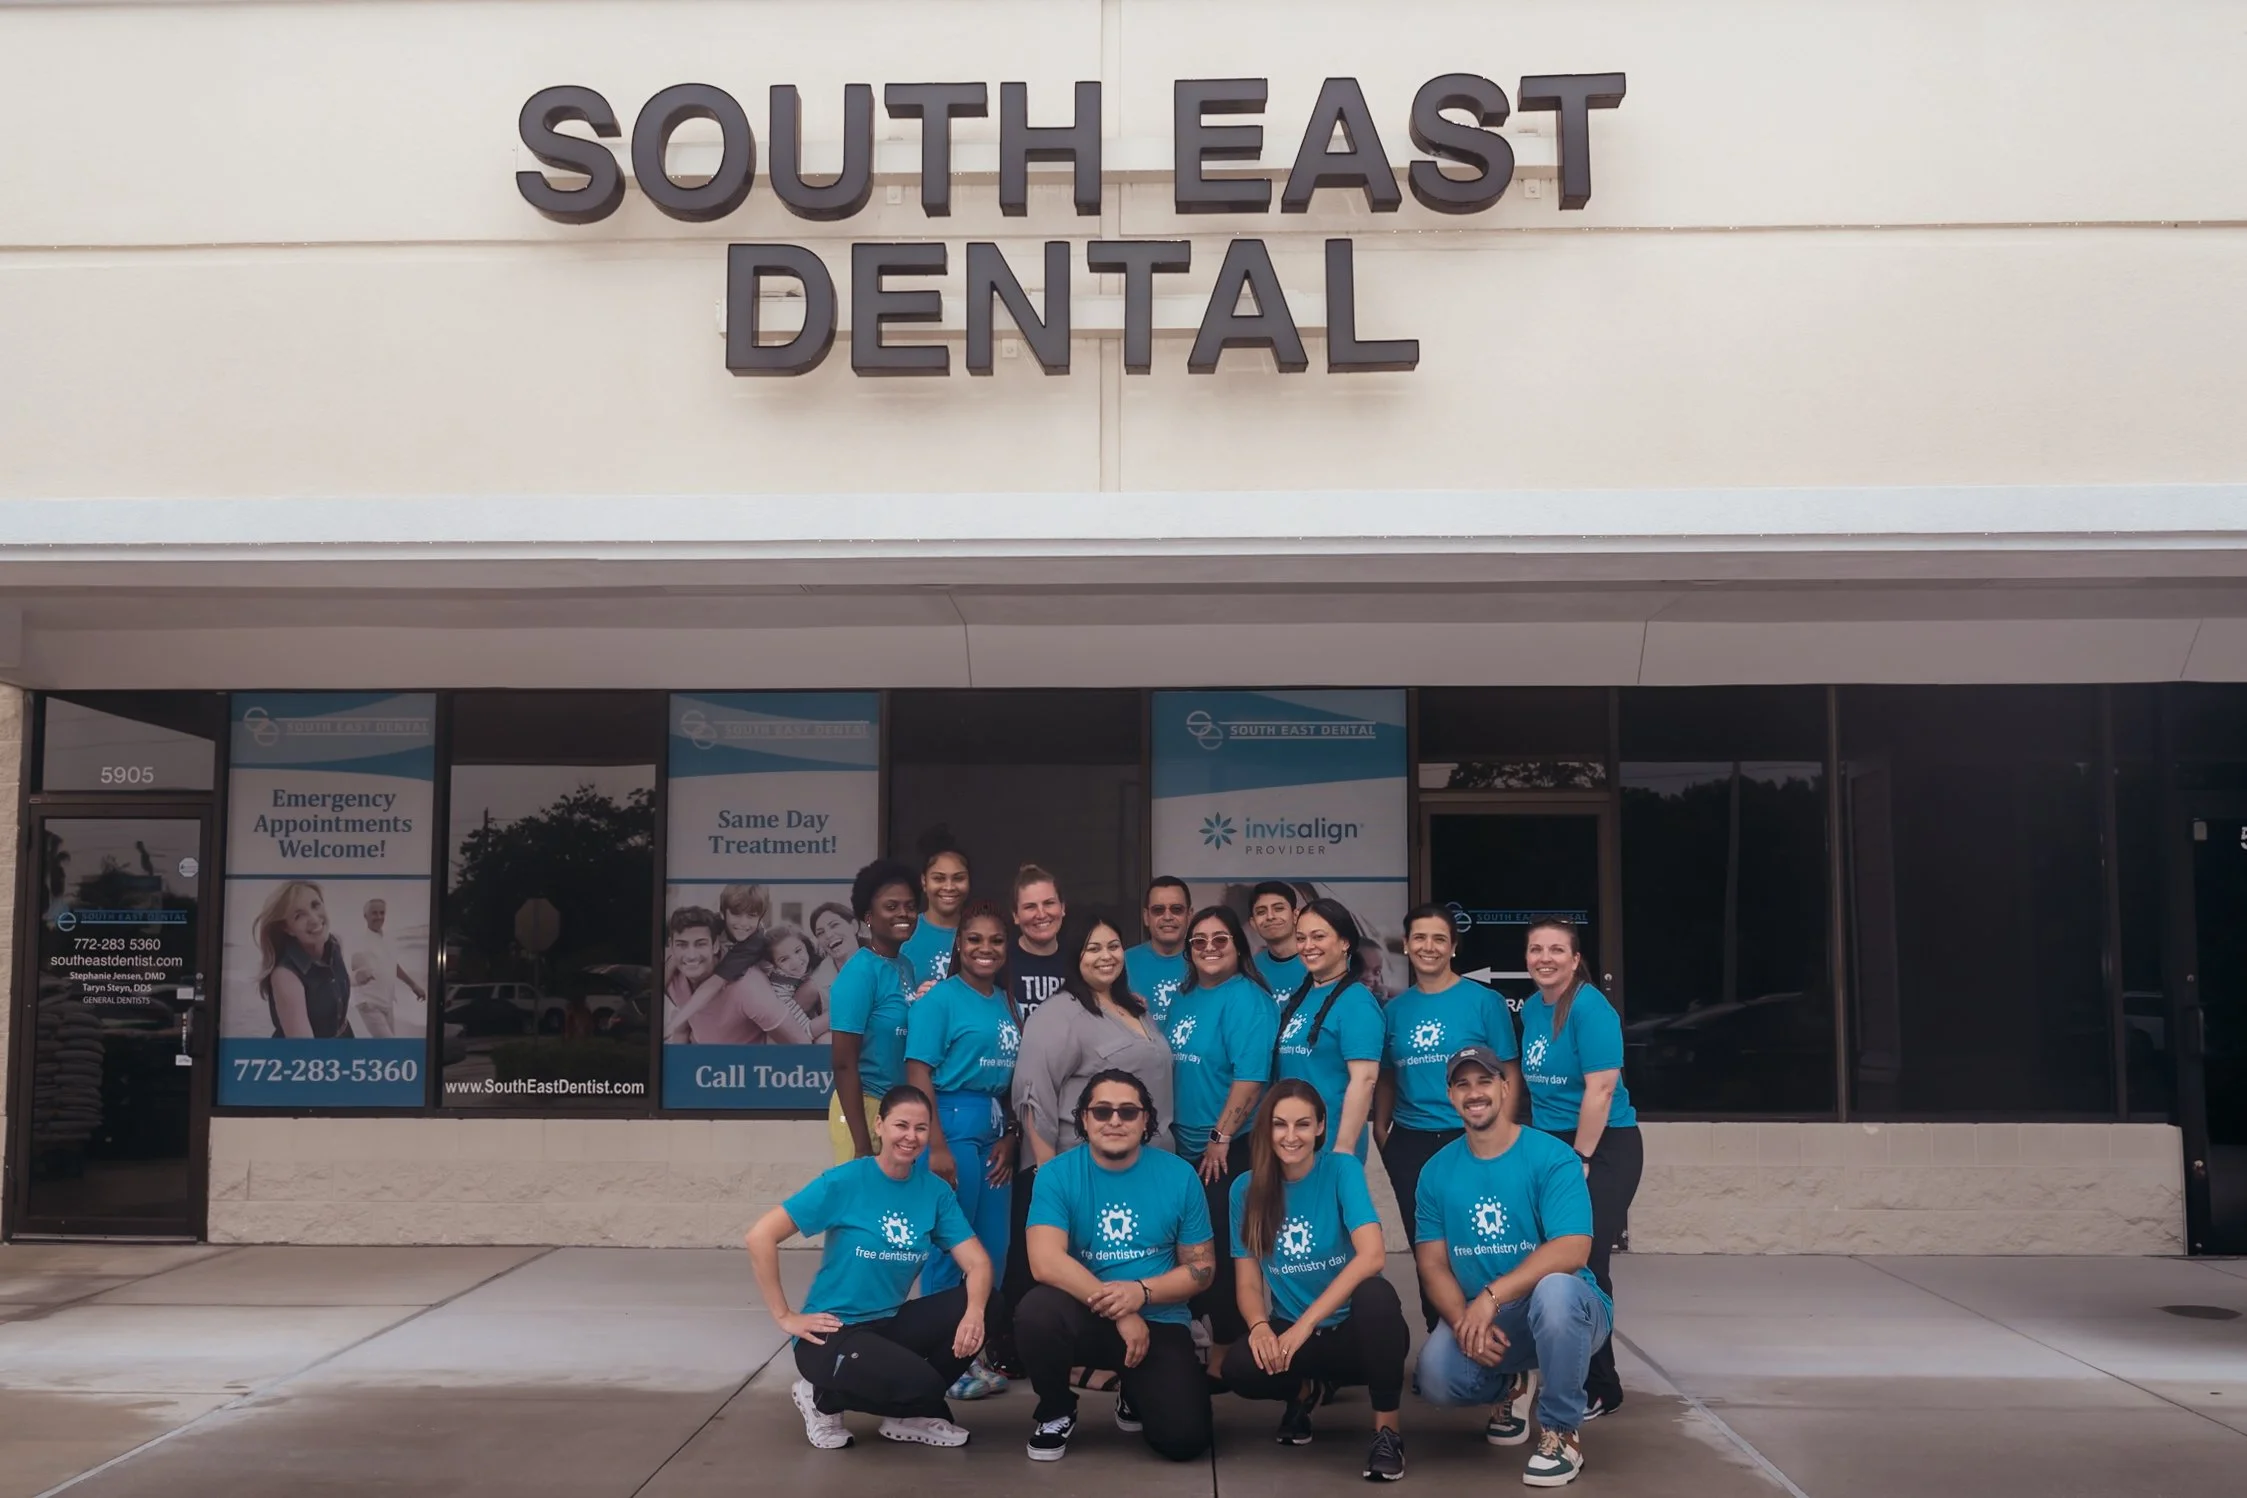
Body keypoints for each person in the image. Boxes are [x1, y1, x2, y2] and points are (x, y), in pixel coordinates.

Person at [746, 1084, 991, 1451]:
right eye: (901, 1125)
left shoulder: (934, 1192)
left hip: (888, 1323)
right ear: (880, 1126)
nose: (911, 1136)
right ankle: (821, 1399)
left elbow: (978, 1262)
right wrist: (785, 1316)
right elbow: (760, 1236)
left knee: (993, 1304)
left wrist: (974, 1313)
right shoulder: (844, 1182)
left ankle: (911, 1410)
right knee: (924, 1387)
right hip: (830, 1331)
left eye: (921, 1128)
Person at [1413, 1046, 1609, 1488]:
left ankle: (1561, 1431)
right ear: (1450, 1096)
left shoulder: (1550, 1157)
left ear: (1505, 1087)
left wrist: (1489, 1297)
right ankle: (1513, 1385)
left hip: (1569, 1311)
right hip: (1493, 1319)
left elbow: (1574, 1248)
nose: (1474, 1093)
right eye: (1462, 1084)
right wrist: (1465, 1320)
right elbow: (1432, 1264)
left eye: (1484, 1081)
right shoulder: (1436, 1172)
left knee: (1555, 1292)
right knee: (1436, 1377)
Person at [1018, 1070, 1216, 1463]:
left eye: (1128, 1112)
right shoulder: (1057, 1174)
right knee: (1036, 1312)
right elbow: (1044, 1262)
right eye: (1102, 1110)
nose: (1114, 1121)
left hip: (1158, 1319)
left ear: (1146, 1121)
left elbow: (1203, 1269)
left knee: (1185, 1441)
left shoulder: (1178, 1175)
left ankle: (1134, 1394)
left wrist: (1139, 1293)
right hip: (1083, 1313)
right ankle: (1056, 1410)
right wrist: (1121, 1310)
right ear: (1084, 1119)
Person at [1223, 1079, 1409, 1481]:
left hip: (1353, 1337)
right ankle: (1305, 1393)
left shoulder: (1341, 1169)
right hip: (1295, 1339)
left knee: (1377, 1297)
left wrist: (1304, 1325)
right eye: (1280, 1125)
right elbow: (1249, 1282)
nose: (1291, 1137)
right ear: (1266, 1128)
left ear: (1321, 1127)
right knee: (1239, 1366)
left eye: (1303, 1125)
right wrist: (1259, 1328)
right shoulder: (1245, 1189)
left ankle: (1387, 1433)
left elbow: (1373, 1255)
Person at [1516, 917, 1641, 1422]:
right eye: (1535, 949)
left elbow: (1601, 1090)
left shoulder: (1591, 1007)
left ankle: (1600, 1385)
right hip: (1553, 1146)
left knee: (1583, 1261)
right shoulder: (1531, 1008)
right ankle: (1554, 1366)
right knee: (1548, 1259)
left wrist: (1581, 1158)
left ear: (1574, 958)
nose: (1544, 958)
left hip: (1603, 1146)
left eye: (1555, 950)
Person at [1377, 903, 1521, 1328]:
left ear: (1453, 947)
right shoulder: (1393, 1011)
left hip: (1471, 1138)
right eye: (1419, 938)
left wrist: (1502, 1132)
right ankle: (1442, 1333)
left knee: (1481, 1237)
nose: (1429, 947)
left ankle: (1499, 1328)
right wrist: (1382, 1132)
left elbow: (1508, 1070)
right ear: (1406, 946)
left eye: (1439, 938)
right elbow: (1386, 1076)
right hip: (1412, 1141)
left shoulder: (1485, 1002)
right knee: (1431, 1247)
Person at [905, 899, 1022, 1401]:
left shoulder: (1005, 1000)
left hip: (994, 1130)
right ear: (959, 944)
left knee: (991, 1249)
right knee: (952, 1251)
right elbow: (917, 1072)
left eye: (995, 940)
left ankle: (973, 1352)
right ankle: (941, 1359)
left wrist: (1012, 1134)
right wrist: (935, 1145)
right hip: (950, 1127)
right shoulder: (940, 1000)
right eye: (975, 939)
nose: (985, 949)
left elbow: (1014, 1080)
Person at [1165, 903, 1276, 1372]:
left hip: (1228, 1149)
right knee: (1186, 1248)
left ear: (1238, 946)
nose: (1209, 949)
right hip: (1184, 1148)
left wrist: (1221, 1135)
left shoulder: (1248, 999)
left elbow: (1250, 1078)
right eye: (1199, 941)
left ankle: (1228, 1353)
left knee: (1225, 1253)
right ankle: (1200, 1336)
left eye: (1220, 940)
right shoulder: (1184, 997)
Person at [1017, 908, 1175, 1159]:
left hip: (1154, 1165)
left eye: (1113, 946)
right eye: (1093, 949)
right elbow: (1035, 1100)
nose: (1106, 956)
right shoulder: (1056, 1014)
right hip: (1088, 1167)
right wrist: (1047, 1176)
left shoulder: (1137, 1010)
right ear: (1074, 956)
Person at [825, 860, 923, 1163]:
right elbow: (843, 1064)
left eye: (909, 906)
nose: (903, 914)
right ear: (868, 917)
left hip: (895, 1109)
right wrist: (862, 1144)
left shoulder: (904, 965)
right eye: (891, 906)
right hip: (863, 1109)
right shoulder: (860, 973)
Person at [1273, 899, 1384, 1160]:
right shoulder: (1301, 997)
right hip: (1291, 1145)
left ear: (1344, 942)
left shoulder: (1357, 1003)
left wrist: (1343, 1150)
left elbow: (1364, 1080)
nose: (1307, 946)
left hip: (1330, 1147)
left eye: (1318, 936)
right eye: (1301, 938)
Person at [664, 905, 814, 1046]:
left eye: (700, 944)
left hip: (743, 1069)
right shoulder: (675, 977)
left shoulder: (749, 989)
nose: (691, 955)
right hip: (705, 1067)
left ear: (715, 945)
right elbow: (683, 1029)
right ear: (672, 946)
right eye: (682, 945)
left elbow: (801, 1044)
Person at [255, 880, 354, 1038]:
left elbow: (328, 983)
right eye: (299, 915)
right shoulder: (285, 975)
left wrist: (356, 979)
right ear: (287, 928)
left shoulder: (333, 944)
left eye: (315, 905)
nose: (314, 919)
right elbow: (305, 1051)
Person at [347, 897, 426, 1039]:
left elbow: (393, 966)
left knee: (387, 1047)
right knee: (389, 1044)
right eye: (374, 913)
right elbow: (354, 968)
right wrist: (360, 973)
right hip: (369, 1004)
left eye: (382, 913)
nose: (379, 917)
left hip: (386, 1003)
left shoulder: (387, 939)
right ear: (366, 916)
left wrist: (413, 985)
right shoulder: (360, 941)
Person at [1122, 876, 1193, 1025]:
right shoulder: (1122, 962)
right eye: (1158, 910)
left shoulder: (1206, 961)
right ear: (1146, 917)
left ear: (1189, 915)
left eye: (1177, 909)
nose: (1167, 917)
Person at [903, 844, 971, 987]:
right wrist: (914, 999)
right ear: (924, 881)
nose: (949, 887)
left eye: (958, 878)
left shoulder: (980, 934)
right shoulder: (904, 933)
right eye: (939, 879)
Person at [1007, 864, 1070, 1014]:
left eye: (1049, 903)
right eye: (1030, 907)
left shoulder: (1079, 962)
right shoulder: (1001, 964)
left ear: (1062, 908)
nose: (1041, 914)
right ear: (1016, 915)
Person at [797, 900, 861, 1025]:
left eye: (834, 925)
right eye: (820, 933)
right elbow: (785, 1025)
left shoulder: (884, 961)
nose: (829, 935)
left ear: (854, 926)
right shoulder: (816, 984)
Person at [1249, 880, 1308, 1003]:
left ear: (1296, 915)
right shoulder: (1250, 970)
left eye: (1279, 909)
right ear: (1253, 923)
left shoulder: (1320, 960)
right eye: (1261, 912)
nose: (1270, 916)